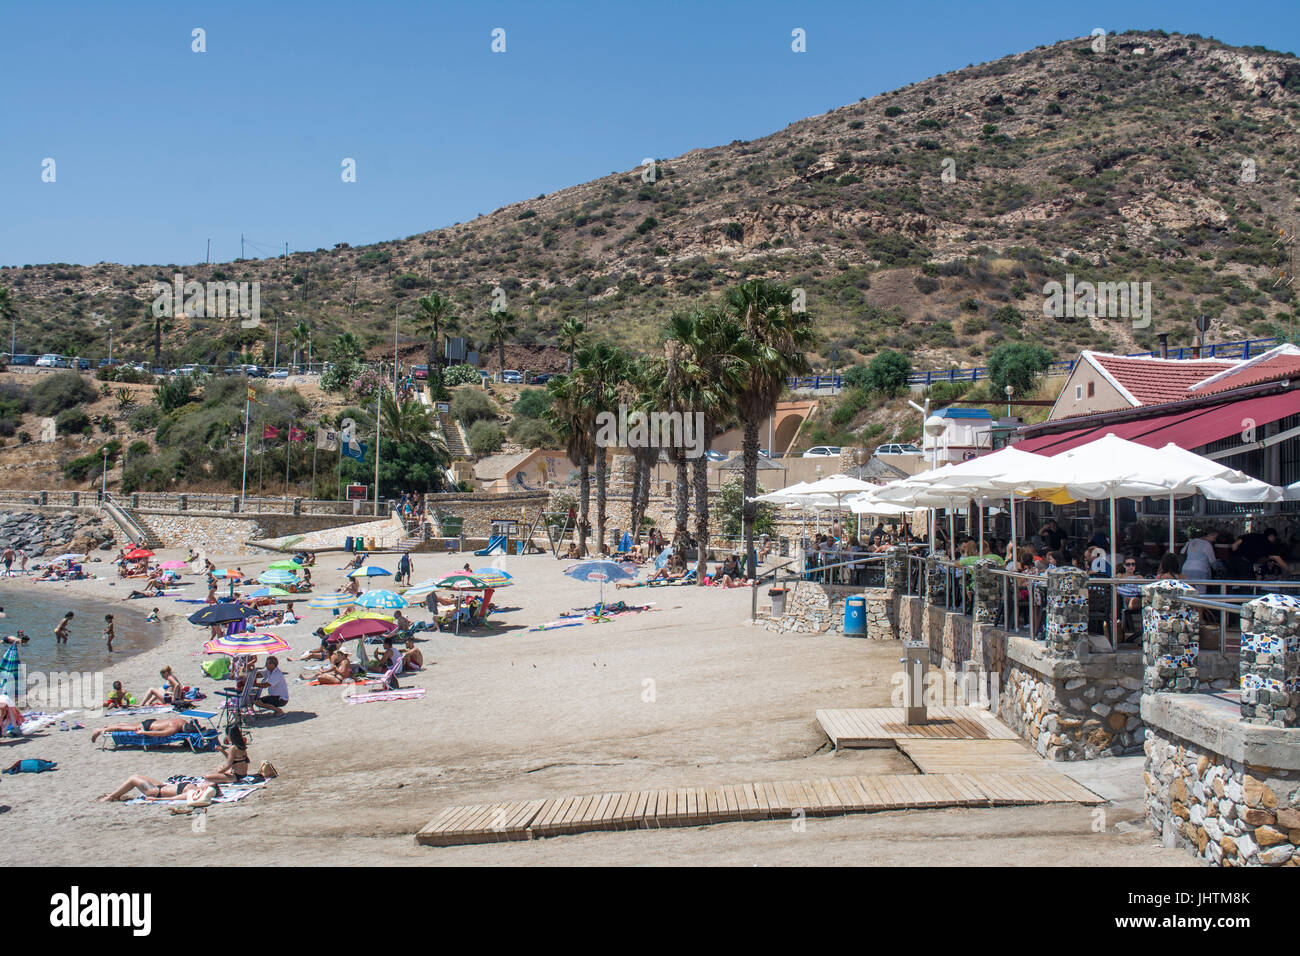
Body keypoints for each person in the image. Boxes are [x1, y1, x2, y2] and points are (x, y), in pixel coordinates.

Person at [98, 774, 219, 803]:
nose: (205, 783)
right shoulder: (195, 787)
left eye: (207, 784)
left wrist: (154, 800)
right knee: (136, 774)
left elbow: (176, 798)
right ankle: (116, 795)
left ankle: (111, 797)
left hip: (156, 792)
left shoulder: (192, 792)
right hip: (163, 786)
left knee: (132, 779)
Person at [89, 715, 198, 743]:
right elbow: (158, 734)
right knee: (122, 728)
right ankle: (99, 731)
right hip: (148, 727)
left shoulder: (182, 721)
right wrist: (144, 732)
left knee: (126, 725)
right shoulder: (174, 728)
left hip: (152, 721)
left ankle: (108, 727)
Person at [1181, 528, 1218, 593]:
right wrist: (1217, 568)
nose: (1215, 540)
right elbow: (1212, 560)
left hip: (1186, 568)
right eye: (1214, 538)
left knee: (1187, 592)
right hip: (1200, 570)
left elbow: (1182, 552)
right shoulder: (1207, 544)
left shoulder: (1190, 542)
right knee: (1200, 593)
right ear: (1209, 535)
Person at [1, 632, 28, 698]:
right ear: (24, 640)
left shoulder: (19, 640)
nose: (27, 642)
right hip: (7, 639)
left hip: (8, 638)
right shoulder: (18, 641)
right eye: (26, 641)